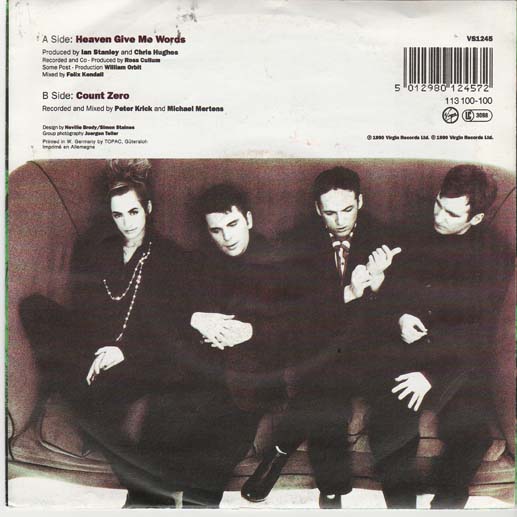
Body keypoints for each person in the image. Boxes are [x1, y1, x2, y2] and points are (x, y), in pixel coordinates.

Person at [20, 159, 190, 508]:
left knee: (87, 405)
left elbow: (171, 328)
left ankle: (147, 492)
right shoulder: (94, 249)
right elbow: (85, 313)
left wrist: (122, 351)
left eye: (134, 212)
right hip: (95, 347)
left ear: (148, 209)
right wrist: (97, 351)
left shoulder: (171, 258)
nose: (127, 223)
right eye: (118, 215)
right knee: (34, 307)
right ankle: (149, 484)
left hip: (142, 356)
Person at [241, 166, 401, 508]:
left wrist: (378, 284)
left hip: (369, 350)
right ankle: (332, 492)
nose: (340, 220)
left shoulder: (385, 238)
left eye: (347, 209)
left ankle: (280, 449)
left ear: (361, 201)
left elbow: (396, 313)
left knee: (323, 390)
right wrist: (349, 293)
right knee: (327, 397)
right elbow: (296, 315)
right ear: (317, 209)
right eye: (330, 212)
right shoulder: (296, 243)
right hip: (318, 347)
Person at [370, 164, 512, 508]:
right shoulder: (409, 233)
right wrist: (399, 316)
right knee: (389, 425)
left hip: (457, 361)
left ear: (476, 219)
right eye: (438, 204)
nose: (438, 216)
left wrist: (431, 375)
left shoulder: (495, 256)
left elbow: (479, 331)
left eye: (451, 214)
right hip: (406, 351)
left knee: (472, 435)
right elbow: (386, 296)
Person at [143, 183, 287, 508]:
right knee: (156, 449)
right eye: (216, 230)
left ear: (248, 219)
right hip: (197, 374)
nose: (227, 237)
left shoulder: (279, 261)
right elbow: (161, 310)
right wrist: (195, 319)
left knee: (209, 470)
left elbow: (297, 326)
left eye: (233, 224)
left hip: (247, 385)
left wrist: (251, 331)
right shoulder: (196, 261)